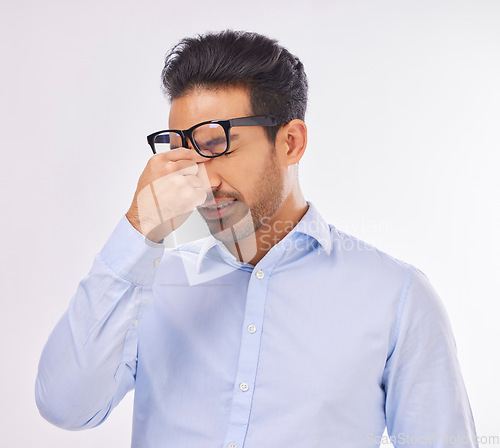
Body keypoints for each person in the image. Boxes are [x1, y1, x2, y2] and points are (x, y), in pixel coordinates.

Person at [36, 30, 478, 447]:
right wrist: (138, 230)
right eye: (181, 150)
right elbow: (65, 406)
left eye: (216, 145)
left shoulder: (395, 298)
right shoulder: (151, 280)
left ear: (290, 143)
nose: (198, 179)